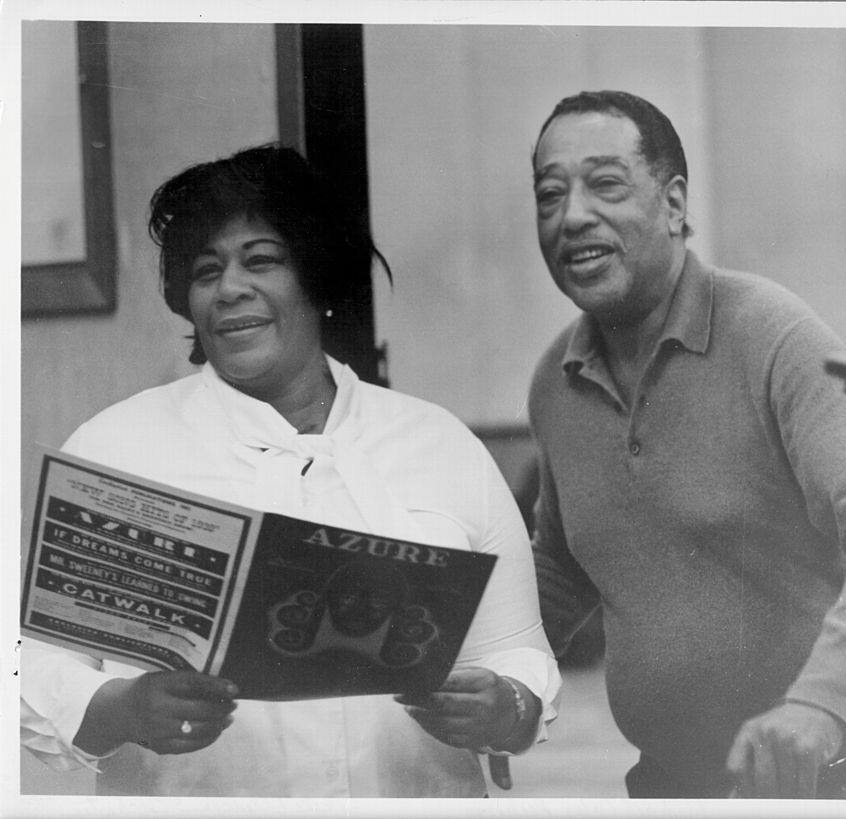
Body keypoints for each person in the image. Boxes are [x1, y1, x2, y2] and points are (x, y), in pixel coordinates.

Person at [21, 144, 560, 797]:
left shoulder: (440, 443)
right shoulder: (114, 451)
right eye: (205, 269)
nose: (230, 288)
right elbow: (35, 673)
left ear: (319, 275)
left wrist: (507, 705)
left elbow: (518, 652)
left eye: (262, 259)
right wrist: (122, 707)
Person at [527, 90, 846, 799]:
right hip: (674, 785)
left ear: (673, 204)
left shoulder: (772, 334)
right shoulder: (554, 381)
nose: (572, 216)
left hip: (843, 766)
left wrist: (821, 702)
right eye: (549, 194)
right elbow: (565, 565)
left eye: (605, 184)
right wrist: (483, 662)